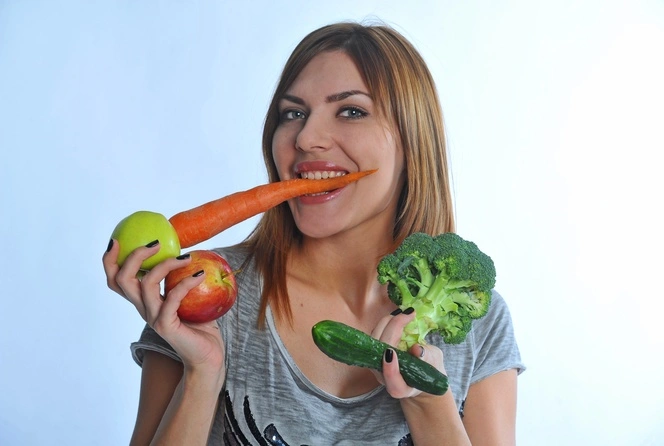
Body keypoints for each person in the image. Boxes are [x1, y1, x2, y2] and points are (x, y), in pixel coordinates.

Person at [103, 21, 524, 445]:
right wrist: (201, 374)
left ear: (412, 139)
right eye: (294, 114)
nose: (306, 138)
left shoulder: (476, 321)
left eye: (351, 111)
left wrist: (429, 404)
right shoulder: (200, 289)